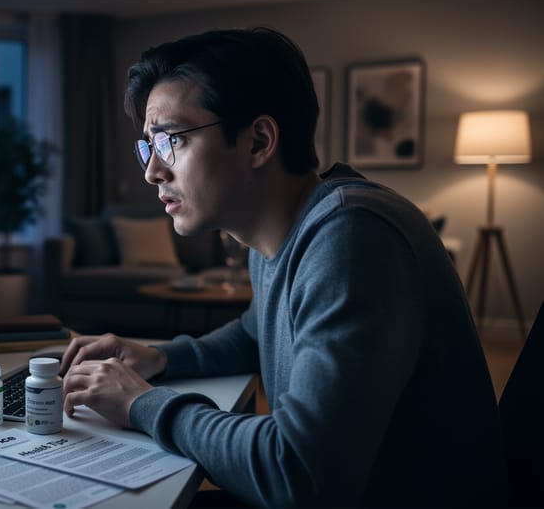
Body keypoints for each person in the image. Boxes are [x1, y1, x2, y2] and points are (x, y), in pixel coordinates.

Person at [59, 28, 505, 508]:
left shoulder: (352, 236)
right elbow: (256, 332)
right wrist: (160, 357)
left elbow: (299, 472)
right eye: (149, 146)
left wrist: (141, 403)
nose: (152, 171)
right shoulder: (287, 230)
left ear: (258, 141)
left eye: (172, 141)